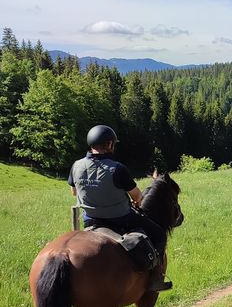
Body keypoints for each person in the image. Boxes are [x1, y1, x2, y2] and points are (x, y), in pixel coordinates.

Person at [68, 124, 171, 291]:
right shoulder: (117, 168)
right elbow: (137, 196)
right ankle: (155, 278)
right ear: (109, 145)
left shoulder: (76, 166)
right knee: (159, 234)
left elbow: (74, 192)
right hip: (121, 218)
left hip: (90, 220)